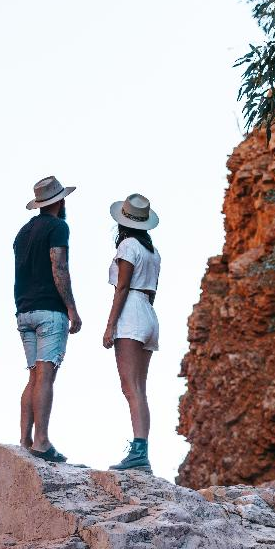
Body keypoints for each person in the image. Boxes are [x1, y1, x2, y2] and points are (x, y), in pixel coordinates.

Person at [14, 175, 82, 463]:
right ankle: (41, 442)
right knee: (45, 376)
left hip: (24, 310)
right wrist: (71, 308)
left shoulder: (23, 232)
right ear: (60, 201)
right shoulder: (58, 227)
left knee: (32, 376)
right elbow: (59, 266)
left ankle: (25, 440)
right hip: (49, 312)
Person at [103, 192, 161, 473]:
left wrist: (110, 325)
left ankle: (138, 453)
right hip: (149, 313)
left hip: (132, 313)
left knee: (130, 386)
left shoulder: (127, 246)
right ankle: (142, 450)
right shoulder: (152, 251)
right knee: (139, 388)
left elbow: (122, 287)